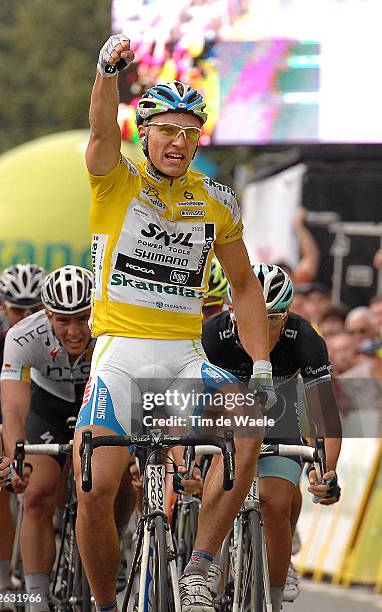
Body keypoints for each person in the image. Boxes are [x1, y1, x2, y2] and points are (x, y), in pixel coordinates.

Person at [73, 33, 275, 612]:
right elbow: (99, 132)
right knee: (94, 489)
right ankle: (105, 603)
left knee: (251, 421)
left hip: (184, 362)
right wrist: (107, 73)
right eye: (167, 128)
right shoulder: (117, 181)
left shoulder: (215, 200)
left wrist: (261, 367)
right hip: (120, 358)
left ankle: (199, 568)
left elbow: (242, 286)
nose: (178, 142)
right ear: (145, 130)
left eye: (190, 132)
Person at [202, 264, 342, 612]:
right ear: (233, 311)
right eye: (252, 317)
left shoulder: (305, 338)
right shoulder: (212, 336)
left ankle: (273, 599)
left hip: (279, 416)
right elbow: (188, 409)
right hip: (224, 418)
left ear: (288, 313)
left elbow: (325, 413)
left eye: (273, 318)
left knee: (275, 502)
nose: (262, 328)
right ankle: (203, 566)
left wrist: (327, 469)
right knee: (213, 480)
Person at [0, 266, 96, 612]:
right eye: (63, 321)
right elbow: (12, 409)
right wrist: (17, 457)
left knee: (112, 490)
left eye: (83, 319)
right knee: (38, 494)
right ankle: (37, 600)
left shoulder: (112, 330)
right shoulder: (23, 336)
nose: (74, 331)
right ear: (47, 314)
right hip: (48, 406)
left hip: (95, 401)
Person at [0, 263, 45, 603]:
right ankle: (2, 585)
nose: (26, 316)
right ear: (3, 306)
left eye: (34, 309)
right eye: (18, 309)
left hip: (39, 393)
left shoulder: (54, 326)